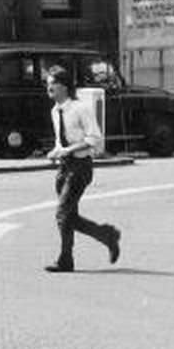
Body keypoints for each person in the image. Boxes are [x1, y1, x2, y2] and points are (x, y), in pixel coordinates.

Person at [42, 65, 120, 273]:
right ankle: (106, 235)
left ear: (65, 87)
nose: (48, 87)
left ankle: (65, 259)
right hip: (64, 167)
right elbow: (62, 142)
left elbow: (94, 139)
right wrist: (56, 151)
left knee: (62, 213)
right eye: (48, 83)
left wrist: (67, 150)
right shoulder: (55, 111)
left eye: (53, 83)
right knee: (69, 216)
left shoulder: (80, 108)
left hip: (80, 167)